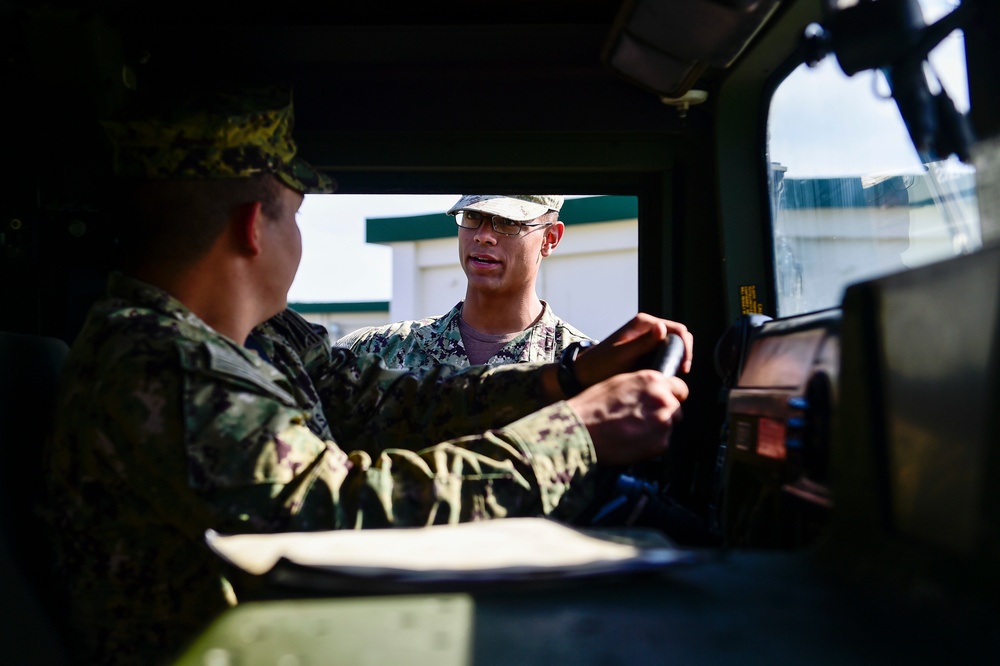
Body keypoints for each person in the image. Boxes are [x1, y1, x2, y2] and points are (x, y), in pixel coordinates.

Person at [41, 87, 693, 665]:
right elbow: (341, 514)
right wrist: (575, 434)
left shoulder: (261, 340)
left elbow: (385, 403)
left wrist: (568, 378)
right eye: (294, 216)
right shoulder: (162, 364)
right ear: (252, 229)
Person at [339, 194, 593, 370]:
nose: (483, 236)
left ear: (550, 238)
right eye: (472, 216)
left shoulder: (580, 365)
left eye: (507, 223)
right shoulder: (373, 351)